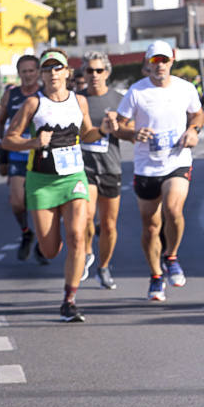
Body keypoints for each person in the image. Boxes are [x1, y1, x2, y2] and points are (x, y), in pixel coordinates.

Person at [0, 50, 116, 322]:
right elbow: (8, 140)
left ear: (67, 72)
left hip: (74, 176)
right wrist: (32, 143)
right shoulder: (32, 104)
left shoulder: (80, 101)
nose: (52, 73)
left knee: (77, 234)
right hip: (41, 182)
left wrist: (104, 130)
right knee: (51, 249)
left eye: (57, 68)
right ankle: (50, 244)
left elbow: (87, 133)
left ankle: (69, 300)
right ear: (41, 74)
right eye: (47, 69)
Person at [113, 41, 204, 302]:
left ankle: (172, 256)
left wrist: (193, 130)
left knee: (173, 209)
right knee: (151, 227)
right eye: (155, 61)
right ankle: (155, 276)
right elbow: (119, 126)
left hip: (177, 160)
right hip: (146, 165)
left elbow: (198, 114)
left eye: (164, 60)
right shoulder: (136, 92)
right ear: (147, 64)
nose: (160, 65)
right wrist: (132, 132)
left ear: (172, 61)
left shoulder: (185, 88)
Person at [0, 55, 47, 262]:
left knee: (41, 203)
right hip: (17, 154)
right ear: (19, 73)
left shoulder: (44, 95)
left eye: (31, 71)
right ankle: (26, 232)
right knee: (17, 203)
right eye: (24, 72)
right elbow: (1, 119)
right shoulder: (11, 94)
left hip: (41, 155)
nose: (28, 75)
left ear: (38, 72)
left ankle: (43, 246)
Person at [80, 51, 125, 290]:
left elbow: (130, 129)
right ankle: (87, 252)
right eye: (90, 70)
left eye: (99, 70)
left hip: (110, 166)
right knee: (86, 216)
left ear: (107, 72)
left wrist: (120, 127)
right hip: (83, 168)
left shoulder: (118, 98)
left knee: (108, 225)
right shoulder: (77, 99)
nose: (95, 75)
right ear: (84, 73)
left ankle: (104, 266)